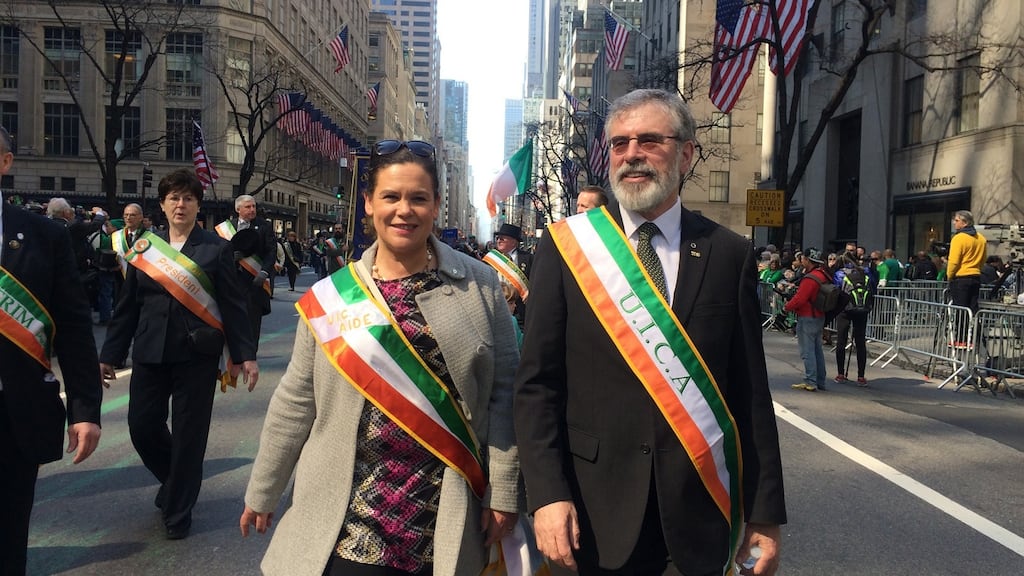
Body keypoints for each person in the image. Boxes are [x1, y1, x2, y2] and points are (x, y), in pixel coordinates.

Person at [514, 89, 785, 576]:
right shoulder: (566, 248)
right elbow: (537, 386)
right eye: (620, 143)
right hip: (594, 509)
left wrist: (765, 512)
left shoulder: (728, 253)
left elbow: (750, 394)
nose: (632, 154)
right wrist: (547, 495)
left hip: (701, 506)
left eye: (649, 141)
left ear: (686, 153)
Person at [240, 139, 521, 576]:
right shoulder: (331, 297)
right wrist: (263, 490)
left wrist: (503, 493)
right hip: (347, 516)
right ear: (369, 204)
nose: (403, 210)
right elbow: (296, 401)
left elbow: (506, 392)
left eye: (418, 198)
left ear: (437, 206)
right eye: (390, 197)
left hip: (440, 511)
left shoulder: (480, 285)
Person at [99, 169, 259, 540]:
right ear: (163, 204)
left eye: (188, 198)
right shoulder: (146, 249)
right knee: (141, 426)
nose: (180, 204)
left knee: (189, 435)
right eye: (174, 198)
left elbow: (233, 306)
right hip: (150, 350)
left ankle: (178, 509)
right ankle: (175, 483)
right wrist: (110, 353)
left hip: (196, 354)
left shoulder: (215, 248)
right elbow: (128, 307)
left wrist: (244, 354)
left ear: (198, 206)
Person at [0, 126, 103, 575]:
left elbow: (75, 328)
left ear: (5, 163)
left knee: (7, 539)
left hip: (13, 413)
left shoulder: (44, 236)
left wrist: (84, 407)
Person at [216, 194, 277, 352]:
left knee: (251, 325)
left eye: (254, 206)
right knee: (231, 322)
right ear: (238, 209)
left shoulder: (264, 226)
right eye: (248, 207)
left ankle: (250, 356)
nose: (252, 210)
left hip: (254, 284)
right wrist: (230, 257)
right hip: (232, 283)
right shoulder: (225, 228)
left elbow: (271, 251)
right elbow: (217, 254)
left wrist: (264, 272)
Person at [785, 249, 829, 392]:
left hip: (807, 316)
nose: (801, 260)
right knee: (817, 350)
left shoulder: (810, 278)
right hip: (819, 316)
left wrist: (787, 307)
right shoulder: (823, 275)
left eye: (803, 258)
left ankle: (811, 380)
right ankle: (820, 380)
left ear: (808, 260)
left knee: (807, 351)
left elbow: (800, 299)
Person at [833, 254, 874, 386]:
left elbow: (836, 289)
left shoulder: (840, 273)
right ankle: (861, 376)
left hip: (844, 309)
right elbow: (874, 286)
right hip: (862, 310)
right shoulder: (864, 272)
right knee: (860, 342)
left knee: (841, 341)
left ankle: (840, 374)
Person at [947, 210, 986, 314]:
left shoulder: (958, 238)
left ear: (965, 222)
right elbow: (983, 259)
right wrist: (977, 269)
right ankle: (974, 329)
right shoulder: (981, 239)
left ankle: (961, 330)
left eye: (956, 220)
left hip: (961, 278)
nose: (954, 222)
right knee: (973, 308)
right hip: (975, 276)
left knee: (961, 310)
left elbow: (954, 261)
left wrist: (949, 275)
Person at [493, 222, 532, 328]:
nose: (498, 241)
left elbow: (537, 280)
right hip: (497, 307)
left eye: (502, 239)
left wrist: (531, 292)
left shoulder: (528, 258)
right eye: (497, 238)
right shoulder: (492, 259)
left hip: (520, 309)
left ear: (514, 242)